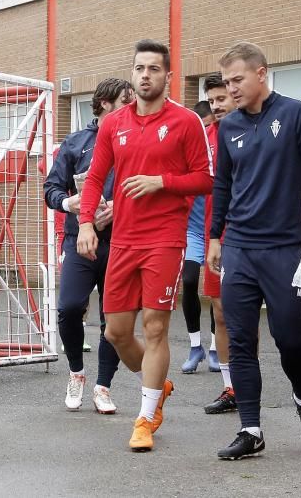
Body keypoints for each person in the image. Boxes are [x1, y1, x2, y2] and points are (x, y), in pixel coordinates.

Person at [76, 39, 212, 453]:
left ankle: (145, 415)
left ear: (168, 76)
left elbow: (207, 179)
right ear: (132, 74)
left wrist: (163, 182)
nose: (146, 75)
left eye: (154, 68)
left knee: (154, 327)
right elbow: (95, 177)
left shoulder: (187, 122)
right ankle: (158, 385)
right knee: (116, 332)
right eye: (140, 68)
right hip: (123, 241)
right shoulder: (113, 124)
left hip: (165, 240)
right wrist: (85, 222)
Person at [208, 42, 301, 460]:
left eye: (237, 80)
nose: (231, 89)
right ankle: (251, 430)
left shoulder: (294, 112)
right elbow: (222, 185)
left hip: (284, 250)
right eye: (226, 82)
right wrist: (214, 237)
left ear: (262, 74)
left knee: (290, 339)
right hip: (239, 249)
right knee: (241, 340)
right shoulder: (228, 127)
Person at [43, 78, 133, 414]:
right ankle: (77, 373)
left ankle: (103, 387)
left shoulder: (133, 140)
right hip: (78, 240)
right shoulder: (76, 142)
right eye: (128, 101)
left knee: (114, 318)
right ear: (106, 103)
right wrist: (71, 204)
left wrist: (120, 208)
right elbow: (51, 189)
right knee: (68, 307)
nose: (134, 107)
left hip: (121, 241)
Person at [200, 72, 239, 415]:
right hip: (216, 236)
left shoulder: (252, 129)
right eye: (211, 101)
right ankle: (232, 388)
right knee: (220, 314)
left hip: (249, 237)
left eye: (221, 98)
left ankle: (247, 380)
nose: (216, 106)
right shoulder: (206, 136)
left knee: (243, 316)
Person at [180, 101, 212, 373]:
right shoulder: (187, 150)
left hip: (216, 229)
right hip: (192, 230)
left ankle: (214, 348)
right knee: (189, 280)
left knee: (217, 291)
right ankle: (195, 346)